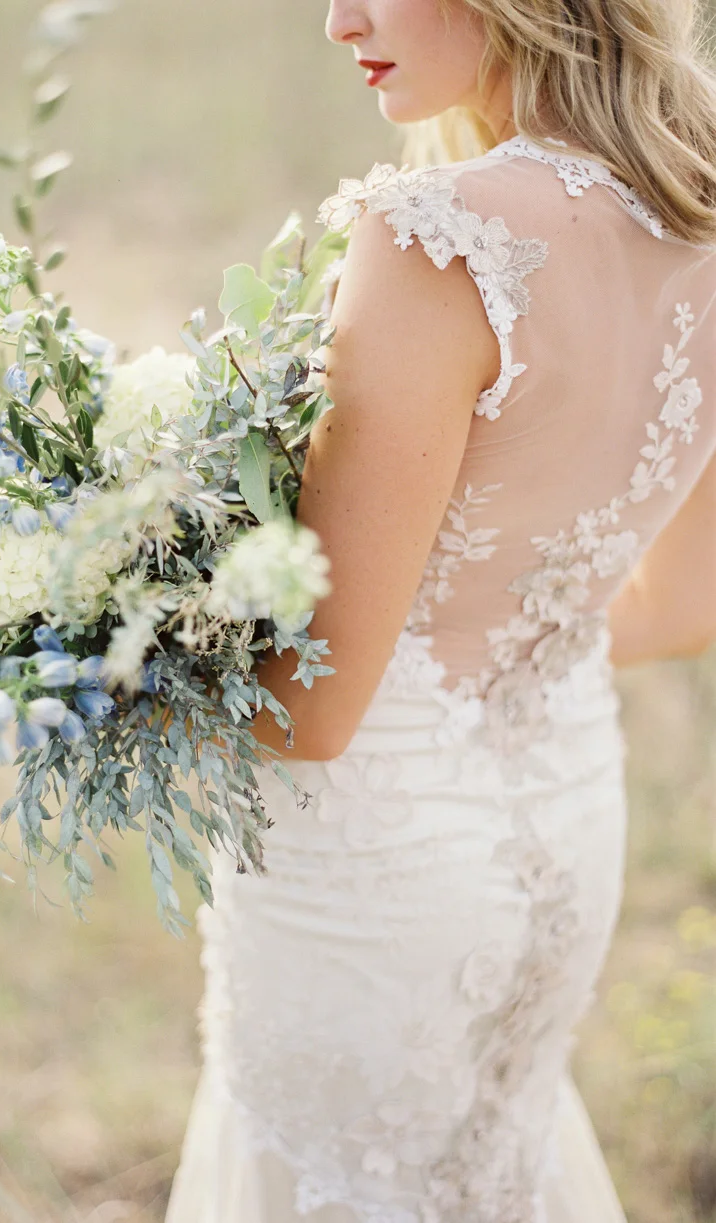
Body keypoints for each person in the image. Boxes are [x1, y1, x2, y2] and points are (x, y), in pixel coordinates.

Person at [165, 1, 716, 1219]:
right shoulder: (699, 207)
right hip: (569, 828)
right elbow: (683, 607)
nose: (337, 20)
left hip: (376, 872)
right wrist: (499, 648)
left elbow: (311, 713)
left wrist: (88, 656)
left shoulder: (436, 237)